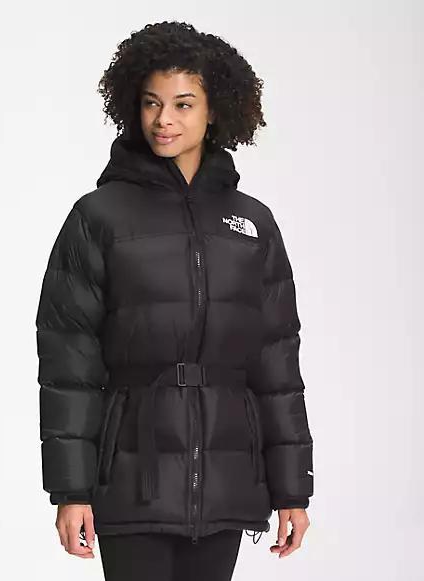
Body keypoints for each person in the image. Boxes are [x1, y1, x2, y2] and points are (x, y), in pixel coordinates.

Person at [35, 20, 314, 581]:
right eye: (151, 103)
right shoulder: (99, 217)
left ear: (215, 112)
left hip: (228, 478)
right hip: (131, 477)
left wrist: (292, 490)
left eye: (184, 104)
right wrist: (70, 490)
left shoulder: (252, 224)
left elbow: (278, 365)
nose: (164, 119)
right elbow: (69, 362)